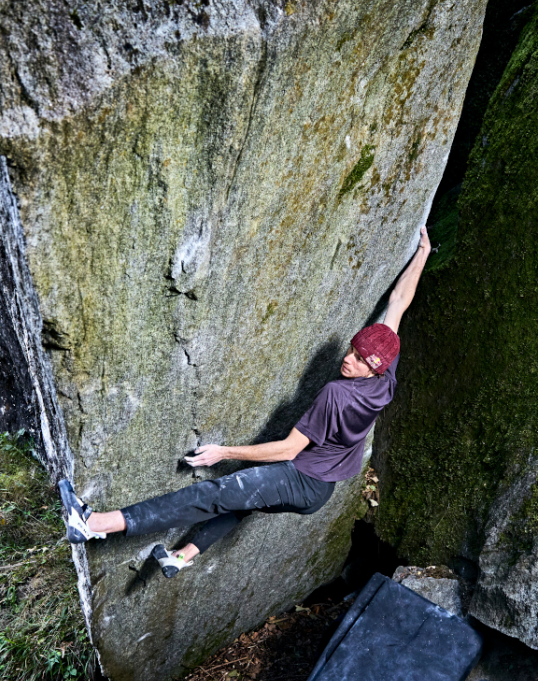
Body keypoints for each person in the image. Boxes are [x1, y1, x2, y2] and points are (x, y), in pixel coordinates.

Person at [59, 227, 432, 578]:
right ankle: (181, 557)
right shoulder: (385, 378)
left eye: (358, 359)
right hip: (322, 488)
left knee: (215, 494)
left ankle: (93, 524)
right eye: (352, 348)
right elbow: (397, 304)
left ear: (371, 369)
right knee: (243, 499)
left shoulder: (337, 394)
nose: (348, 358)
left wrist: (223, 452)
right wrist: (423, 254)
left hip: (301, 478)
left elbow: (288, 450)